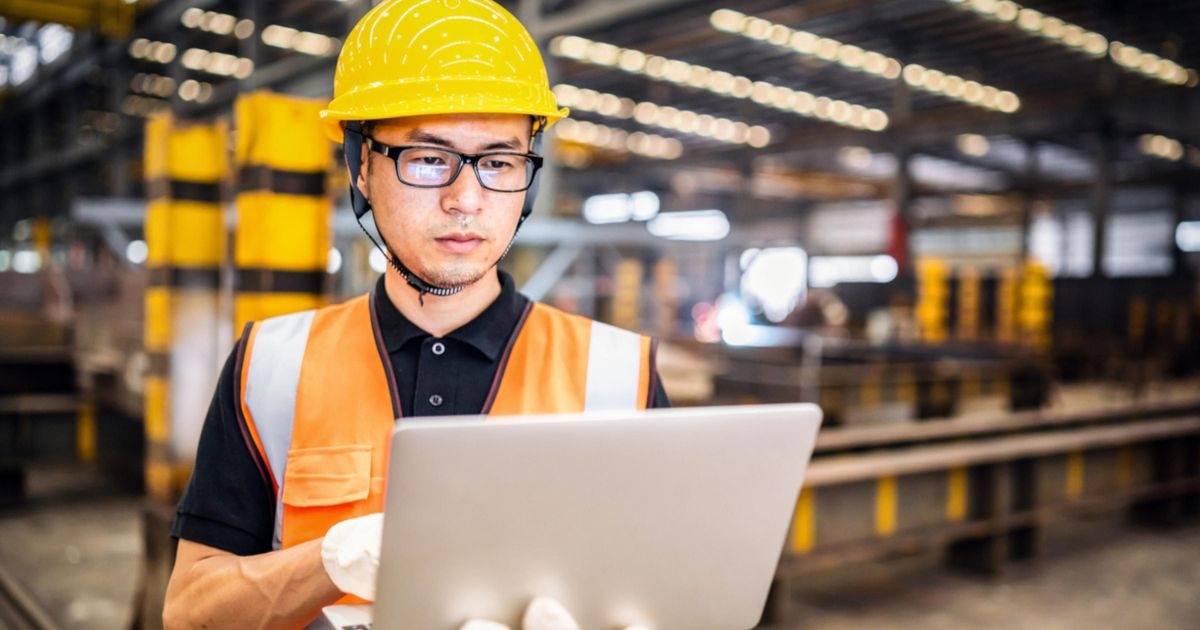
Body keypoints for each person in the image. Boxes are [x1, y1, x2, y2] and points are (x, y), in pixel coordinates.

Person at [162, 1, 668, 628]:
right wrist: (327, 563)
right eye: (429, 159)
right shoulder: (271, 366)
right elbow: (190, 613)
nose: (466, 199)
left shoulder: (619, 378)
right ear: (363, 168)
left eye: (499, 162)